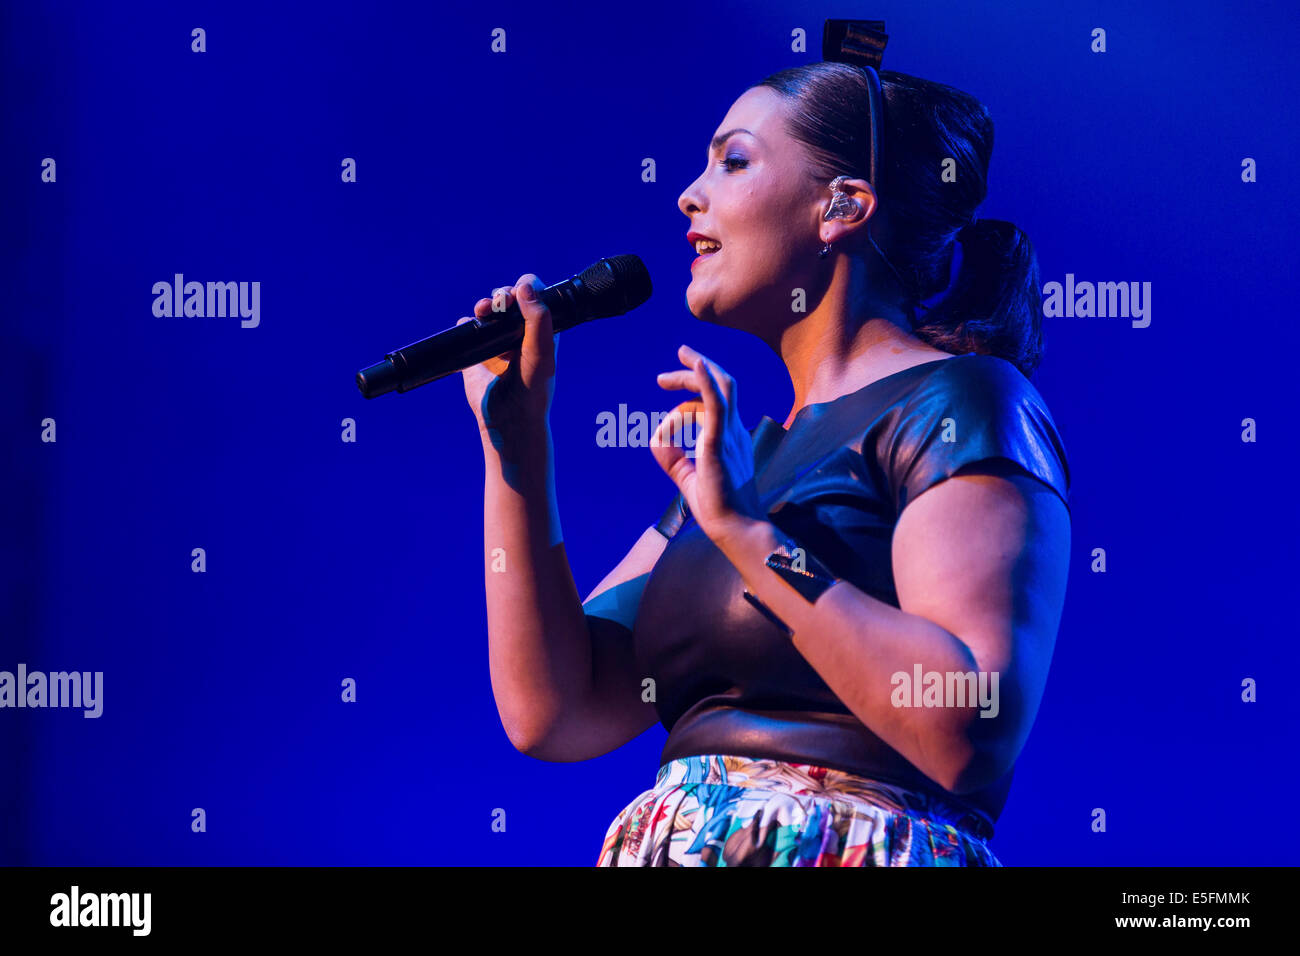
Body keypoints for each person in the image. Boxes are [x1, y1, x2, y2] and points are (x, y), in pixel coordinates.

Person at [458, 62, 1070, 866]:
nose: (689, 194)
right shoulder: (743, 464)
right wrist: (518, 445)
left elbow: (965, 723)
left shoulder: (962, 400)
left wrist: (747, 533)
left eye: (733, 160)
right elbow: (557, 710)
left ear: (843, 206)